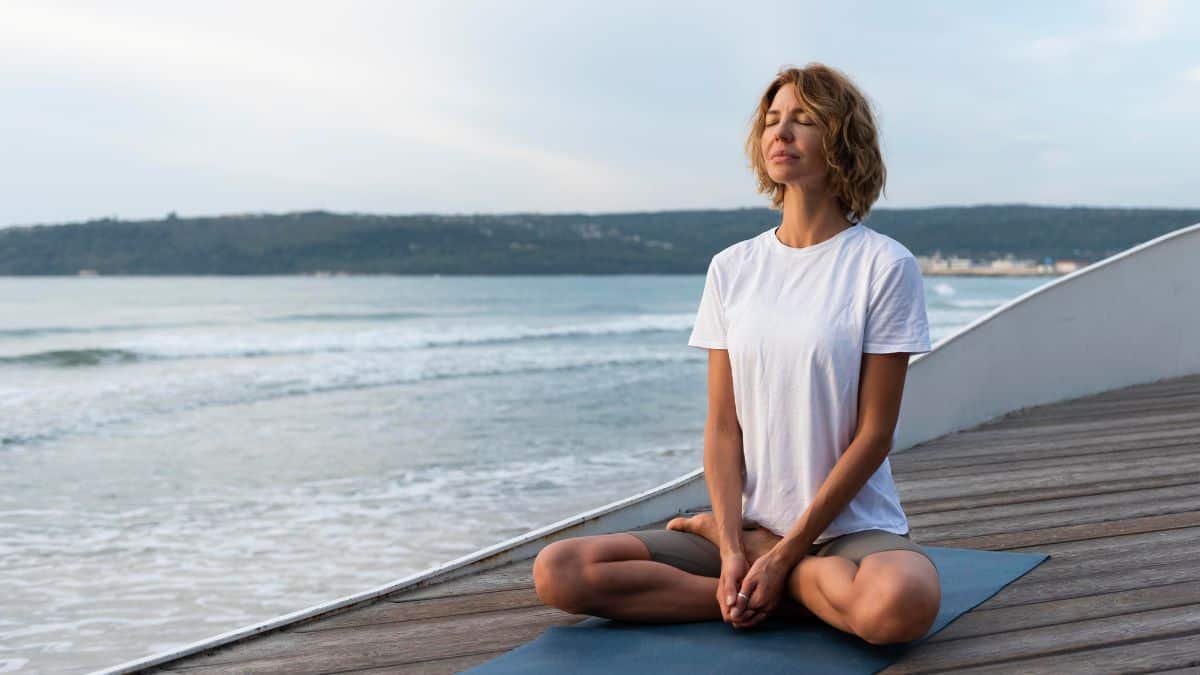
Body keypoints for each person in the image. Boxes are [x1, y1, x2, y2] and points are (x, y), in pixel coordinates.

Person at [532, 63, 942, 646]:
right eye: (773, 120)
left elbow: (874, 434)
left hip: (848, 530)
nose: (781, 133)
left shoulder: (883, 265)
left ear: (842, 141)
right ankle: (776, 588)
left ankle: (777, 576)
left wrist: (782, 553)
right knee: (560, 572)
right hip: (745, 528)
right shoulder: (732, 269)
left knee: (901, 607)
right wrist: (730, 546)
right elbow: (723, 427)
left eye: (804, 120)